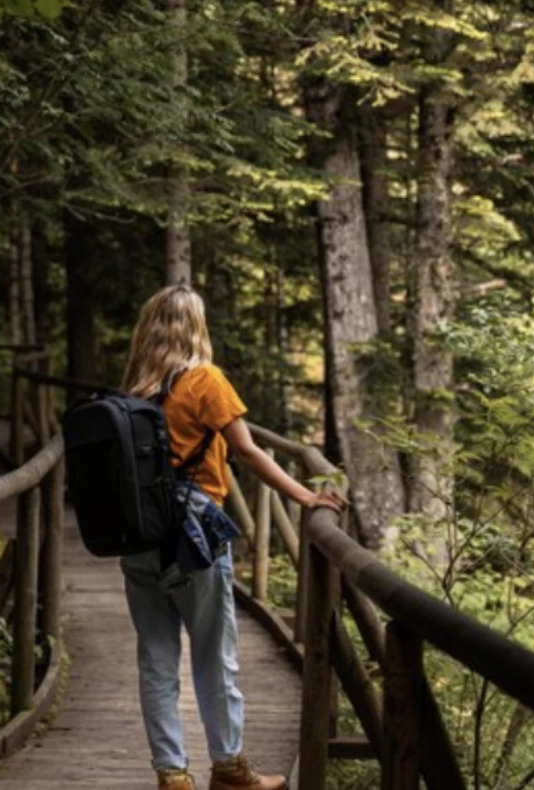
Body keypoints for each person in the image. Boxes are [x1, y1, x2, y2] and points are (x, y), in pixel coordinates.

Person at [119, 285, 346, 790]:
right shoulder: (206, 381)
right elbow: (248, 453)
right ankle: (228, 769)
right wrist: (305, 497)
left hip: (139, 540)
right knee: (213, 656)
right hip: (193, 542)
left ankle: (172, 775)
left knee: (156, 660)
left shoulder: (135, 389)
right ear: (196, 327)